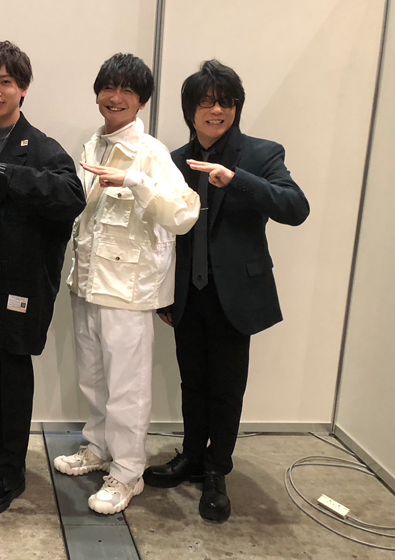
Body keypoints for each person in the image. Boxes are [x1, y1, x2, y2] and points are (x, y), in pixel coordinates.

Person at [144, 60, 310, 522]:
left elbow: (296, 207)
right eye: (206, 102)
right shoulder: (174, 160)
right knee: (192, 382)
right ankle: (192, 457)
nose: (216, 110)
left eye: (226, 102)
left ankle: (217, 470)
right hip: (187, 293)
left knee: (227, 388)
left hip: (235, 296)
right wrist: (164, 294)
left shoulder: (260, 154)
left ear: (236, 107)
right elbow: (162, 234)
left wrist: (237, 180)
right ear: (190, 110)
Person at [53, 53, 200, 514]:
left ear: (141, 102)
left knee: (127, 387)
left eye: (127, 91)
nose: (115, 98)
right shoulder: (91, 145)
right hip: (88, 282)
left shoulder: (151, 153)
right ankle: (98, 447)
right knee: (93, 377)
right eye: (108, 88)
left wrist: (135, 180)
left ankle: (128, 472)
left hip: (128, 290)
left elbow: (184, 215)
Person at [0, 41, 86, 517]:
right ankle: (2, 449)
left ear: (23, 87)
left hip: (17, 285)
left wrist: (8, 175)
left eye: (5, 81)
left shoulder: (41, 147)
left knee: (13, 373)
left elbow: (72, 196)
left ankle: (12, 471)